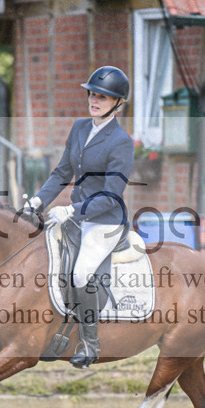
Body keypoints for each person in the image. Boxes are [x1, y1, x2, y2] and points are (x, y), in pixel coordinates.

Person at [25, 66, 134, 368]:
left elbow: (112, 194)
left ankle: (89, 343)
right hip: (74, 218)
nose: (95, 100)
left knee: (82, 274)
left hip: (105, 222)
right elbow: (62, 172)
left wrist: (72, 209)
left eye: (103, 96)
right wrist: (38, 200)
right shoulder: (79, 128)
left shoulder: (121, 141)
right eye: (92, 94)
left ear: (118, 103)